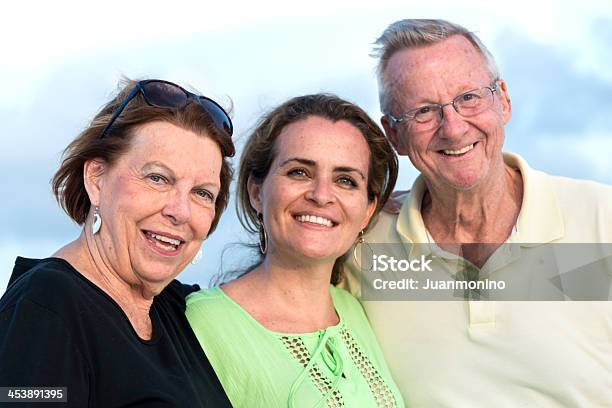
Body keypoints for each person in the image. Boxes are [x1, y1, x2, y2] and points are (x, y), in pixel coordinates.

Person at [341, 19, 612, 407]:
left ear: (502, 99)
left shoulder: (603, 220)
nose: (452, 129)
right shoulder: (361, 245)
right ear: (394, 135)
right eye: (423, 111)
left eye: (468, 97)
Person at [0, 79, 235, 407]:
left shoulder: (177, 309)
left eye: (202, 193)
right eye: (157, 178)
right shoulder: (46, 309)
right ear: (96, 179)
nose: (180, 212)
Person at [186, 94, 404, 407]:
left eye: (345, 180)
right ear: (257, 192)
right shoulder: (201, 322)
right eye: (299, 172)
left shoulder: (355, 311)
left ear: (368, 211)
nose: (321, 195)